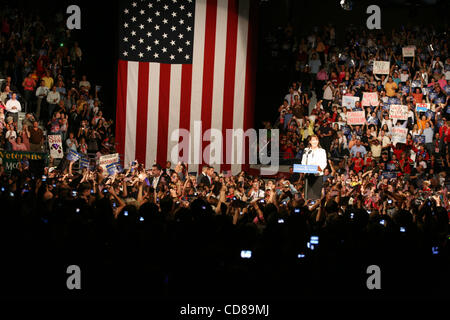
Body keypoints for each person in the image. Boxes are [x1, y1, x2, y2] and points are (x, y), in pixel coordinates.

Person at [301, 135, 327, 200]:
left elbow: (324, 163)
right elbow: (303, 161)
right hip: (308, 175)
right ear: (310, 141)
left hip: (318, 175)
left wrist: (317, 170)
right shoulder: (306, 150)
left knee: (316, 196)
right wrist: (305, 171)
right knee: (308, 196)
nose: (315, 141)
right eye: (313, 140)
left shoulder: (322, 151)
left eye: (316, 140)